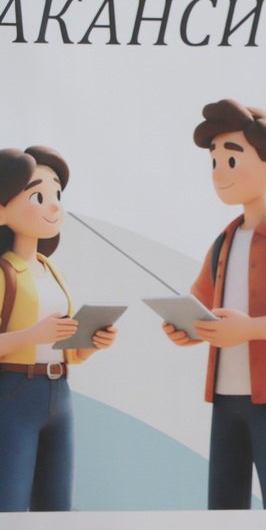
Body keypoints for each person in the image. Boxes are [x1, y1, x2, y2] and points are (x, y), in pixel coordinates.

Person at [161, 99, 266, 510]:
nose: (219, 171)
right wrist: (186, 328)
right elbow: (201, 306)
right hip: (225, 397)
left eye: (231, 159)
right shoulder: (223, 241)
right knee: (223, 507)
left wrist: (249, 329)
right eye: (214, 160)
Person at [0, 146, 117, 512]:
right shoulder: (4, 274)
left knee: (57, 505)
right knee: (9, 501)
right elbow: (37, 337)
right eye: (38, 196)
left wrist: (91, 342)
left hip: (59, 393)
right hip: (14, 391)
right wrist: (31, 336)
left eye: (57, 195)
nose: (53, 206)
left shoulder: (53, 272)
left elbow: (68, 349)